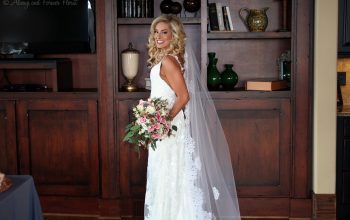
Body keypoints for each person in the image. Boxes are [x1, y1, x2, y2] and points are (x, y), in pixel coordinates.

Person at [144, 15, 241, 220]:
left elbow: (184, 96)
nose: (158, 36)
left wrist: (163, 122)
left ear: (173, 35)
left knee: (170, 177)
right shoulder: (169, 58)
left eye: (164, 32)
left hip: (169, 128)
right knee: (170, 176)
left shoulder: (169, 61)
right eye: (156, 32)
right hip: (167, 127)